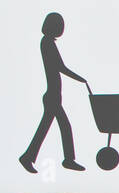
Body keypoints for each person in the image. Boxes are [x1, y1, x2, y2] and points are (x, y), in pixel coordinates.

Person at [19, 13, 89, 174]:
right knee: (63, 125)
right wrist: (80, 79)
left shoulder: (47, 42)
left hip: (54, 95)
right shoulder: (47, 43)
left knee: (49, 127)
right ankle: (67, 160)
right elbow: (60, 67)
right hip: (52, 95)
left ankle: (28, 157)